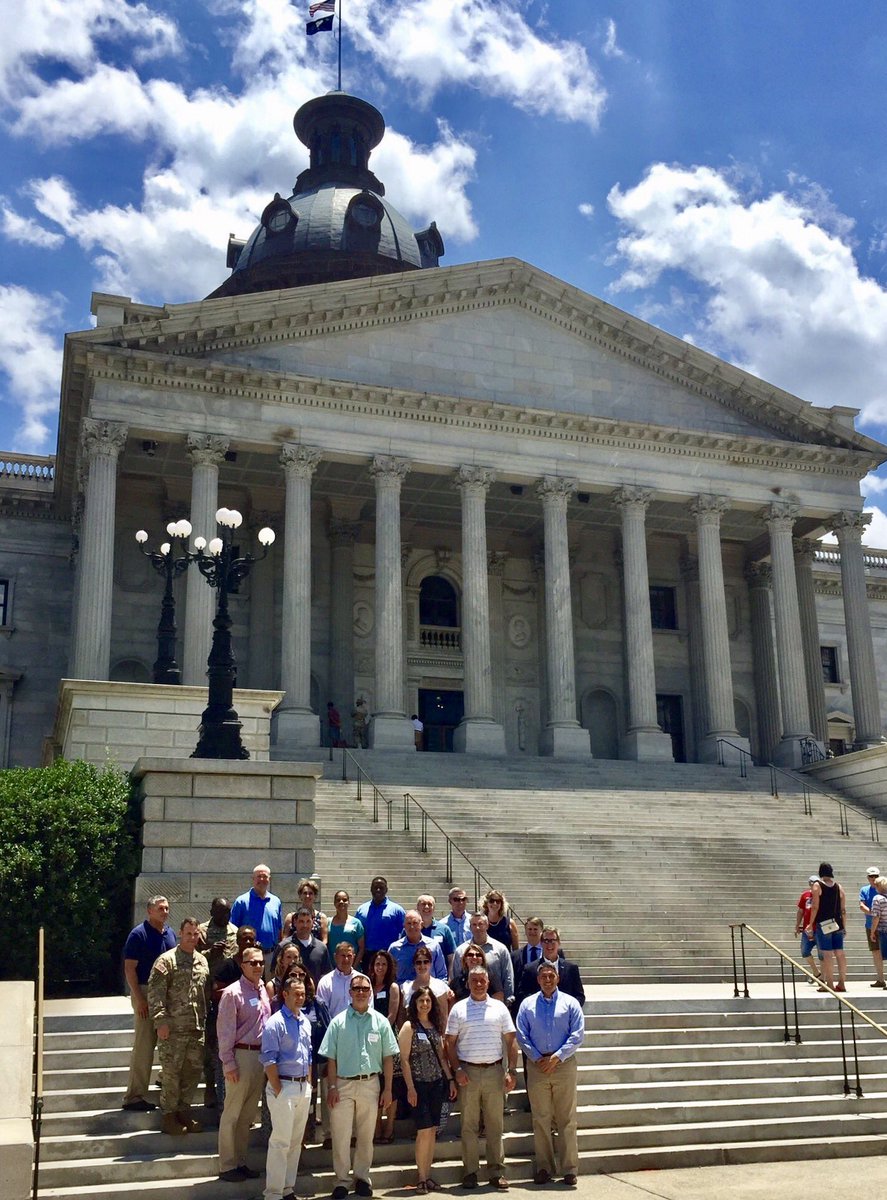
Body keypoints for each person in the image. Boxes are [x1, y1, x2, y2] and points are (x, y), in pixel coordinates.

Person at [320, 972, 399, 1199]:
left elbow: (388, 1057)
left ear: (370, 992)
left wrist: (388, 1088)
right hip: (343, 1085)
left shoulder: (380, 1021)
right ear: (350, 993)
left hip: (371, 1083)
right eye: (357, 989)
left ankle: (363, 1178)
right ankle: (342, 1181)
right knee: (341, 1136)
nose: (361, 992)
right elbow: (331, 1058)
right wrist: (332, 1087)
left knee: (366, 1136)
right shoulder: (338, 1022)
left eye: (365, 989)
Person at [445, 964, 518, 1191]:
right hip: (468, 1073)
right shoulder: (458, 1009)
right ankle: (470, 1172)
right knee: (469, 1125)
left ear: (488, 983)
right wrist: (457, 1070)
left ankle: (496, 1171)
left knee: (495, 1124)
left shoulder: (500, 1008)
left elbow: (511, 1041)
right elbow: (449, 1042)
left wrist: (512, 1070)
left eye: (482, 980)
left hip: (495, 1071)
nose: (478, 984)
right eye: (474, 980)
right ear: (467, 983)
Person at [515, 961, 584, 1186]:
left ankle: (569, 1168)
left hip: (563, 1064)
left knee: (566, 1119)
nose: (547, 980)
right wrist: (536, 1057)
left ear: (558, 978)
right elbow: (521, 1034)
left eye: (551, 976)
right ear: (538, 979)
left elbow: (577, 1034)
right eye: (543, 976)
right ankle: (544, 1167)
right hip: (537, 1065)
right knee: (541, 1119)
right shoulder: (527, 1005)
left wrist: (557, 1057)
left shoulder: (570, 1003)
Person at [146, 916, 209, 1137]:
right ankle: (168, 1116)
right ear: (180, 934)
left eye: (195, 934)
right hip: (172, 1030)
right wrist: (160, 1021)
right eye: (188, 933)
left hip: (196, 1028)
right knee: (171, 1074)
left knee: (192, 1073)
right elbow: (155, 994)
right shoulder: (166, 961)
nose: (192, 937)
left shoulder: (202, 961)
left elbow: (203, 994)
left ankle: (183, 1111)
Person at [217, 946, 272, 1182]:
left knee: (248, 1115)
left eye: (260, 962)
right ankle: (227, 1165)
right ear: (243, 965)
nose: (258, 966)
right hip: (240, 1056)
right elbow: (225, 1030)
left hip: (260, 1058)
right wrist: (228, 1062)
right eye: (253, 963)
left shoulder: (262, 990)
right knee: (232, 1113)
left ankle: (240, 1161)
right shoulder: (232, 993)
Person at [399, 986, 457, 1193]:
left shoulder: (434, 1026)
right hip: (419, 1085)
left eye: (428, 1001)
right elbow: (404, 1060)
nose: (425, 1004)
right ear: (415, 1004)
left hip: (436, 1084)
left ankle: (428, 1174)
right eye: (421, 1001)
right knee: (423, 1131)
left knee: (432, 1130)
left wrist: (450, 1079)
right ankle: (421, 1177)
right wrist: (410, 1088)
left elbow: (442, 1057)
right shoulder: (409, 1027)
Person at [261, 974, 314, 1200]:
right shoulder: (275, 1023)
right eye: (296, 994)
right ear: (285, 995)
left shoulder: (305, 1021)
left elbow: (308, 1055)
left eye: (303, 994)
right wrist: (279, 1089)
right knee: (280, 1142)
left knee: (294, 1143)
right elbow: (269, 1060)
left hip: (303, 1087)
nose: (300, 998)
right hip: (283, 1086)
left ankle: (287, 1189)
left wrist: (309, 1084)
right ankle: (273, 1193)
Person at [121, 894, 176, 1112]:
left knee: (171, 1042)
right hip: (145, 991)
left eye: (167, 908)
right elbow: (129, 968)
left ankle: (164, 1079)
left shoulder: (170, 933)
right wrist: (139, 998)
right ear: (150, 911)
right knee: (145, 1046)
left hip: (168, 995)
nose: (165, 912)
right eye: (161, 908)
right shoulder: (138, 934)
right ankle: (134, 1096)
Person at [197, 896, 240, 1107]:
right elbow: (193, 957)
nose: (226, 916)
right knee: (209, 1042)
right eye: (222, 912)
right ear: (212, 912)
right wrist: (209, 953)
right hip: (207, 992)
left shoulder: (235, 930)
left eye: (228, 912)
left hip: (229, 993)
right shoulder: (202, 931)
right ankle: (209, 1087)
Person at [366, 949, 401, 1144]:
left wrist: (378, 1032)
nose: (380, 967)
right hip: (370, 1040)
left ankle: (389, 1126)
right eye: (377, 964)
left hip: (387, 1037)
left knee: (391, 1084)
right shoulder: (368, 987)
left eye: (384, 964)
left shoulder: (393, 987)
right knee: (376, 1083)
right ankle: (377, 1124)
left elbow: (392, 1015)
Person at [230, 864, 283, 971]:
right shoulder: (241, 902)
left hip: (270, 956)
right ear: (253, 879)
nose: (262, 879)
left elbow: (279, 929)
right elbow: (232, 928)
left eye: (265, 876)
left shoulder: (276, 901)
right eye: (259, 876)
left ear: (269, 879)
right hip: (249, 956)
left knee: (268, 987)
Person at [515, 928, 585, 1008]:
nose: (549, 944)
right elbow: (522, 994)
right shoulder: (530, 969)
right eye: (546, 941)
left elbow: (579, 996)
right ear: (541, 943)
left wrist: (570, 1010)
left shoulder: (571, 969)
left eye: (553, 940)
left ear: (559, 942)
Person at [452, 914, 514, 1003]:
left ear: (487, 925)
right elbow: (456, 976)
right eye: (474, 925)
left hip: (496, 1001)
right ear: (470, 927)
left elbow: (507, 976)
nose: (477, 928)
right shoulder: (461, 951)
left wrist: (508, 1000)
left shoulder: (500, 949)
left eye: (481, 924)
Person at [806, 862, 848, 992]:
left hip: (824, 924)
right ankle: (842, 982)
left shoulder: (817, 886)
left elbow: (815, 906)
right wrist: (844, 926)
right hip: (838, 924)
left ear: (820, 872)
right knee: (840, 953)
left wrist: (810, 923)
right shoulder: (838, 887)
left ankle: (829, 984)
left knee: (827, 954)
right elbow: (843, 909)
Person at [388, 910, 448, 983]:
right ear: (404, 926)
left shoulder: (433, 946)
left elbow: (441, 975)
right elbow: (389, 976)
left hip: (429, 991)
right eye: (409, 923)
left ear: (421, 925)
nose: (412, 926)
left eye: (415, 923)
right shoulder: (394, 949)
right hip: (403, 992)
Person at [356, 877, 406, 962]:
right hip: (367, 956)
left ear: (386, 889)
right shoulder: (361, 910)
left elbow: (405, 931)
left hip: (389, 954)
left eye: (381, 887)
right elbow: (357, 933)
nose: (378, 890)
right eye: (375, 887)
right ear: (371, 889)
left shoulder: (397, 910)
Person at [279, 907, 333, 986]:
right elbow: (275, 972)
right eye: (301, 921)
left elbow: (326, 974)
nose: (305, 925)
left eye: (308, 921)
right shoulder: (283, 946)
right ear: (295, 922)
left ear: (313, 922)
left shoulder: (321, 948)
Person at [317, 943, 372, 1019]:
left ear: (354, 957)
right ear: (335, 957)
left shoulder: (364, 981)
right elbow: (322, 1012)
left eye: (349, 956)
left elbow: (369, 1008)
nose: (346, 959)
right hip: (334, 1029)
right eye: (343, 956)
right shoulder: (325, 982)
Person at [400, 945, 454, 1016]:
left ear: (430, 964)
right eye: (418, 962)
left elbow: (448, 1010)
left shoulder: (440, 985)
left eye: (425, 962)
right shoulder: (406, 987)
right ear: (414, 965)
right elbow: (401, 1015)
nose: (422, 965)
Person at [417, 894, 458, 974]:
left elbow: (451, 957)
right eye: (423, 904)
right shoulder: (411, 929)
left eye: (430, 904)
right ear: (418, 907)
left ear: (434, 908)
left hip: (439, 978)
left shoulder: (444, 929)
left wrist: (449, 977)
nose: (426, 907)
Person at [859, 866, 886, 987]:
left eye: (876, 876)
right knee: (876, 952)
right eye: (871, 876)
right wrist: (873, 912)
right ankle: (880, 979)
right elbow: (861, 905)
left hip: (880, 925)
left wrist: (876, 913)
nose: (874, 879)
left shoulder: (881, 892)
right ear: (868, 877)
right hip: (871, 925)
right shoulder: (865, 890)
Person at [794, 876, 823, 984]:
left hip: (820, 928)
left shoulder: (823, 895)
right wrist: (797, 925)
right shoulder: (805, 895)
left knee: (822, 954)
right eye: (813, 883)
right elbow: (800, 911)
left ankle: (823, 977)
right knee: (805, 951)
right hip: (808, 929)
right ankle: (816, 972)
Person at [283, 878, 330, 944]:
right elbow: (285, 939)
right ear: (300, 896)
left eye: (310, 893)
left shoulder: (322, 917)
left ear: (315, 896)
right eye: (305, 893)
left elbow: (325, 940)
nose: (307, 896)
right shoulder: (291, 917)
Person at [329, 890, 366, 961]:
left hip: (352, 967)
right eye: (338, 900)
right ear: (334, 903)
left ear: (349, 903)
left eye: (344, 900)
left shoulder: (356, 923)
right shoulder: (328, 922)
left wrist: (354, 967)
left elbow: (361, 948)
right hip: (333, 968)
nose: (341, 902)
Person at [266, 942, 304, 1010]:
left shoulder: (307, 981)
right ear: (282, 960)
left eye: (295, 957)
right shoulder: (272, 986)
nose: (292, 961)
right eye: (288, 957)